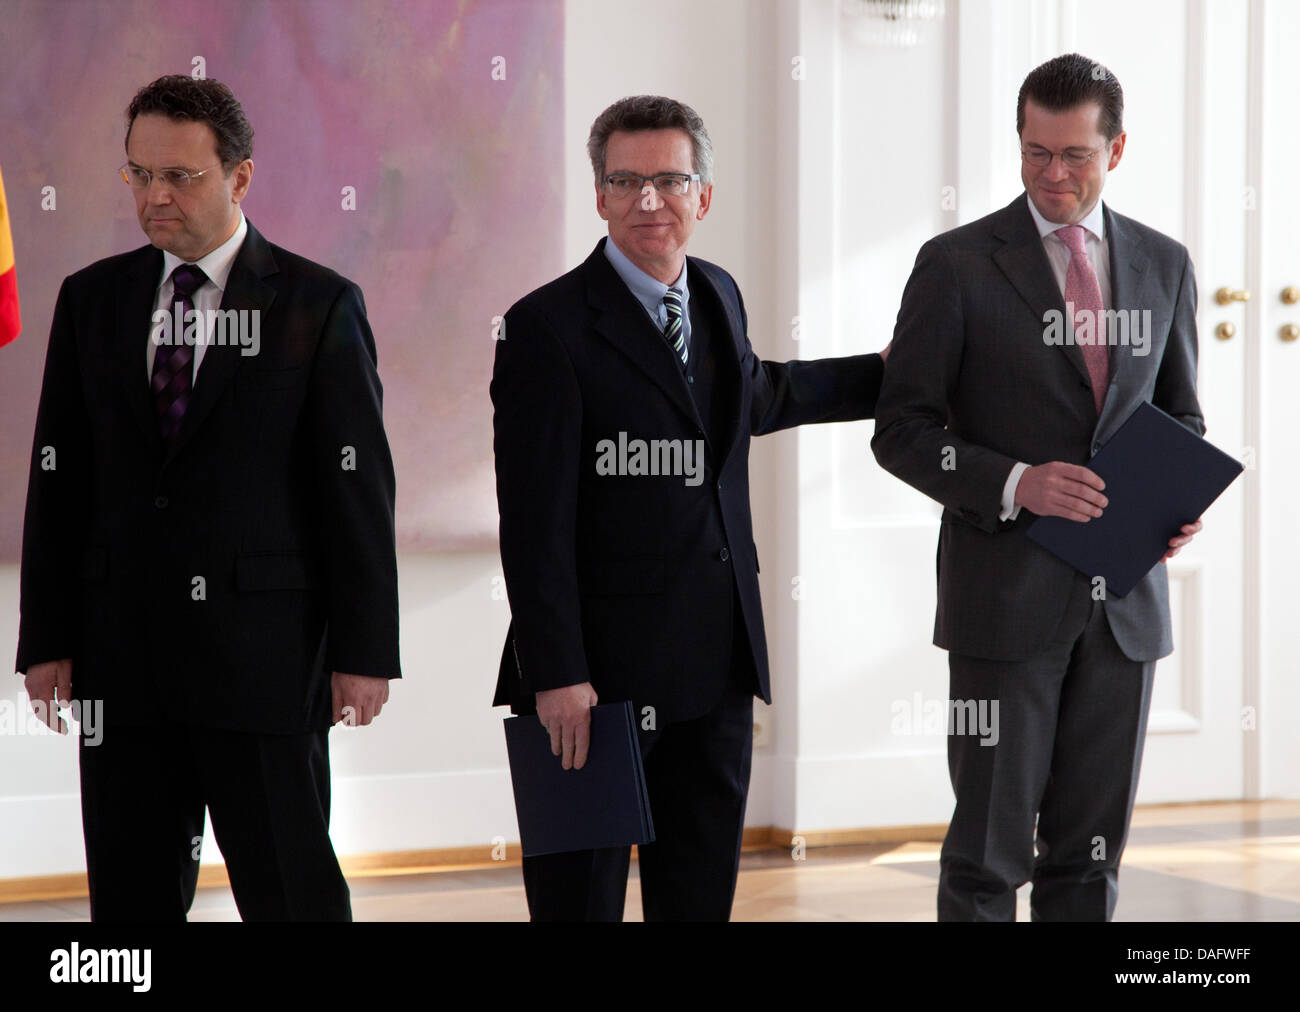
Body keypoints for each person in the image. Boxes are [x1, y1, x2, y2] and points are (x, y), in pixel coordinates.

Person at [491, 95, 888, 921]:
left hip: (715, 668)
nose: (649, 201)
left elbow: (754, 394)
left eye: (670, 180)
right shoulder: (543, 328)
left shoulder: (717, 293)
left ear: (702, 195)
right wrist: (557, 673)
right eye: (627, 181)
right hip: (591, 687)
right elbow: (532, 526)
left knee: (698, 899)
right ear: (598, 195)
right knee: (579, 906)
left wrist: (893, 374)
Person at [14, 75, 400, 921]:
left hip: (266, 661)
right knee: (129, 905)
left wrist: (364, 649)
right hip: (122, 660)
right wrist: (45, 638)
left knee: (292, 893)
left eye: (180, 176)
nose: (156, 196)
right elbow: (58, 479)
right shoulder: (90, 300)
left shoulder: (319, 303)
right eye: (139, 174)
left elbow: (357, 490)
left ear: (241, 177)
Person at [872, 53, 1204, 921]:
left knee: (1091, 859)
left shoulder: (1165, 265)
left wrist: (1177, 503)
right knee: (987, 856)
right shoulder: (954, 266)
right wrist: (1018, 481)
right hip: (1004, 602)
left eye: (1074, 156)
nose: (1052, 175)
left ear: (1116, 149)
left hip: (1124, 605)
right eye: (1034, 153)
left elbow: (1183, 417)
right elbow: (901, 432)